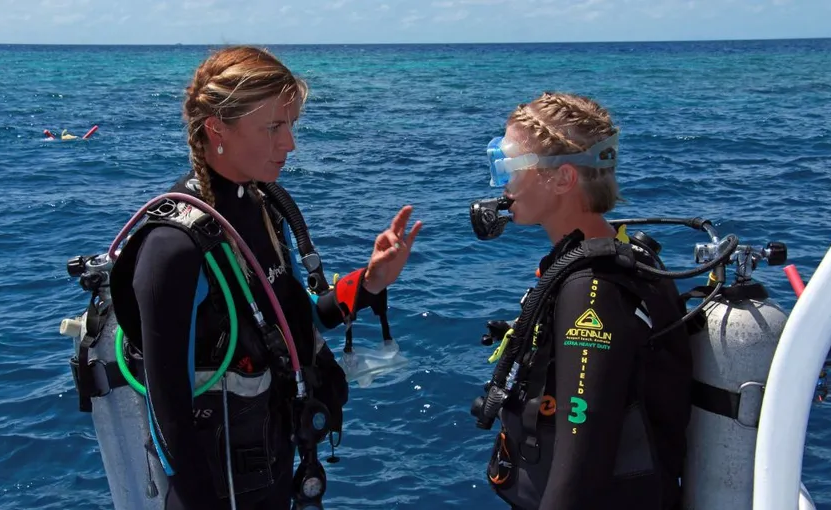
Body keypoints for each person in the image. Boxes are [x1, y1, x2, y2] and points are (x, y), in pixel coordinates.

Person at [108, 45, 422, 510]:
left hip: (275, 468)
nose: (289, 143)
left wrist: (372, 280)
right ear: (218, 129)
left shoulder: (264, 207)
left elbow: (293, 324)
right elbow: (167, 415)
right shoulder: (173, 249)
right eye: (274, 127)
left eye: (291, 125)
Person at [474, 92, 692, 509]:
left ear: (562, 179)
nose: (503, 183)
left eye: (511, 167)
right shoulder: (617, 253)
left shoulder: (590, 291)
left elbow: (581, 465)